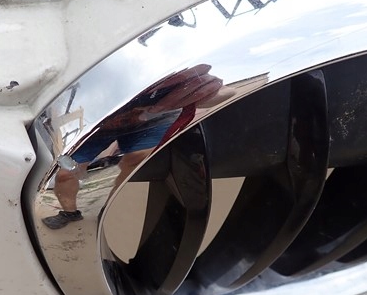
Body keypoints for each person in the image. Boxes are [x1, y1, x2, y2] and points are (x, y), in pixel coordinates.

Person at [42, 64, 233, 229]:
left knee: (136, 160)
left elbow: (227, 93)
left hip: (152, 120)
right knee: (65, 174)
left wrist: (203, 93)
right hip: (101, 124)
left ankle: (108, 208)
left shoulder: (167, 67)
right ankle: (70, 213)